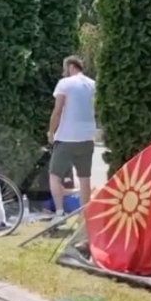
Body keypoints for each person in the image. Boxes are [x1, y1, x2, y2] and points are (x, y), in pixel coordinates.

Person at [47, 55, 97, 218]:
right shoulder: (92, 84)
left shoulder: (65, 83)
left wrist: (51, 131)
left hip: (67, 138)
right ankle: (85, 215)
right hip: (87, 137)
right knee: (84, 178)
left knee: (54, 176)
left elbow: (58, 110)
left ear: (70, 67)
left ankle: (60, 212)